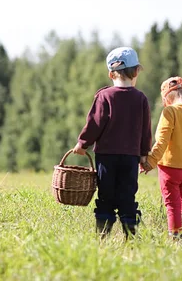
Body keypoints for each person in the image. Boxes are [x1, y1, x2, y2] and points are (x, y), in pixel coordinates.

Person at [72, 47, 152, 238]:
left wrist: (83, 143)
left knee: (106, 196)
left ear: (110, 74)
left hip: (106, 157)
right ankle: (131, 236)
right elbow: (145, 129)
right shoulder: (141, 98)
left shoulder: (104, 96)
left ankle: (103, 236)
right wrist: (143, 154)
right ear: (135, 72)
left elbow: (95, 123)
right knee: (127, 196)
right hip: (131, 158)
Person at [140, 76, 182, 240]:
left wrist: (150, 161)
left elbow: (162, 141)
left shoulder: (169, 112)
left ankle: (176, 237)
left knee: (172, 205)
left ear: (167, 99)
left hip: (169, 170)